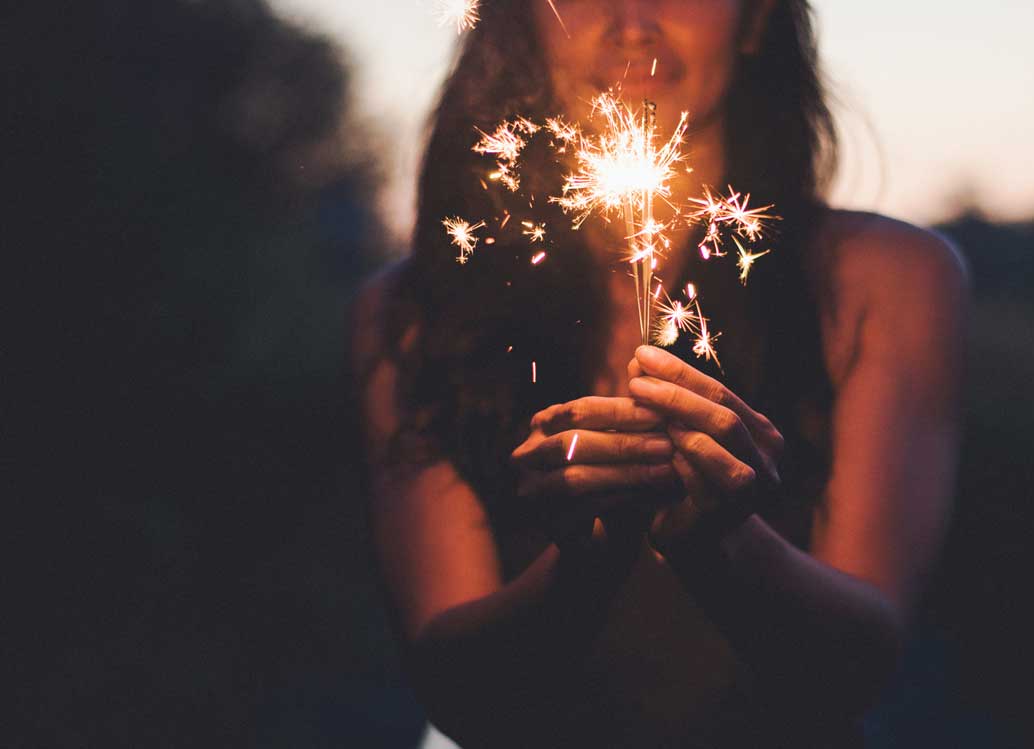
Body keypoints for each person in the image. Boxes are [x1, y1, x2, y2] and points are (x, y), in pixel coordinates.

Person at [349, 1, 967, 746]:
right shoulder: (417, 314)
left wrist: (723, 543)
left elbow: (854, 669)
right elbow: (460, 693)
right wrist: (589, 558)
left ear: (757, 18)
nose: (632, 19)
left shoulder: (884, 281)